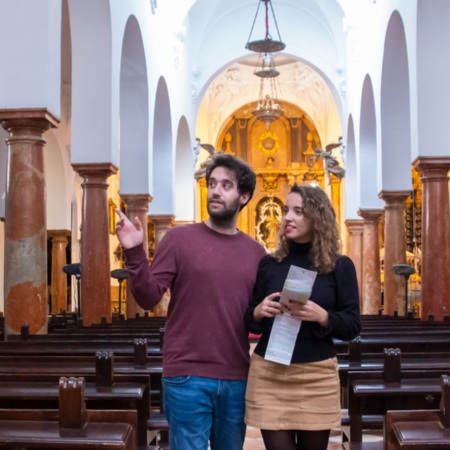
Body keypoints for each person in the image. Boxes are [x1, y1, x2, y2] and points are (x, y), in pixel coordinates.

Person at [115, 153, 266, 450]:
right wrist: (135, 253)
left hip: (236, 375)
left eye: (226, 185)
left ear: (244, 196)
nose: (215, 191)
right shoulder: (178, 239)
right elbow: (148, 297)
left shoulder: (256, 253)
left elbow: (255, 317)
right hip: (186, 374)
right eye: (212, 183)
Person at [244, 183, 361, 450]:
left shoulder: (339, 266)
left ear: (317, 217)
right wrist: (259, 312)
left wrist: (323, 317)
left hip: (316, 376)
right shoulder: (269, 264)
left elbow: (353, 325)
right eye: (286, 210)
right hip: (269, 373)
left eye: (298, 211)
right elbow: (249, 322)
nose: (287, 217)